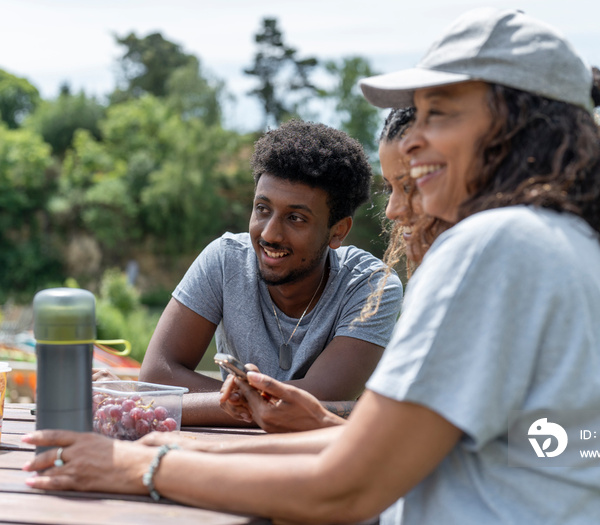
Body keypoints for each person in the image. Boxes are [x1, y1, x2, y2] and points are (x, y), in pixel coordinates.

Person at [24, 9, 600, 524]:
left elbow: (352, 484)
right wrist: (151, 450)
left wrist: (135, 467)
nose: (414, 137)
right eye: (415, 114)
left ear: (521, 126)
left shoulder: (495, 243)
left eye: (441, 112)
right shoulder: (584, 246)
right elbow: (371, 449)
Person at [137, 119, 403, 426]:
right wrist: (248, 401)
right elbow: (156, 378)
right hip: (228, 453)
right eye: (262, 209)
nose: (270, 233)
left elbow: (309, 404)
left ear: (338, 231)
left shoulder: (371, 286)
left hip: (320, 462)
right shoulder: (225, 261)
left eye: (296, 218)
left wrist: (217, 401)